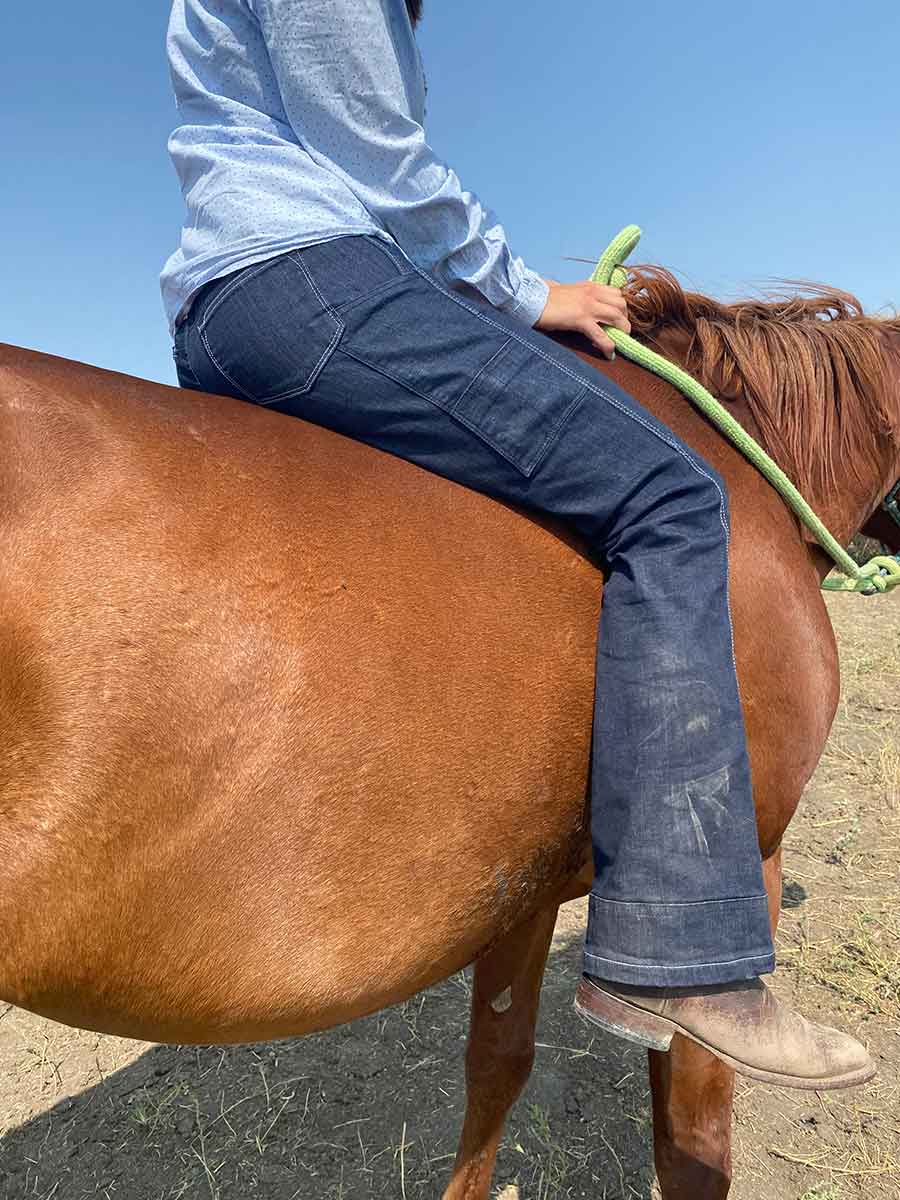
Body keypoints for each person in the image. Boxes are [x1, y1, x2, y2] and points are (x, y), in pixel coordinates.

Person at [162, 0, 873, 1089]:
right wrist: (528, 289)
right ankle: (683, 951)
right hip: (309, 275)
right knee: (675, 498)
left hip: (244, 291)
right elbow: (372, 145)